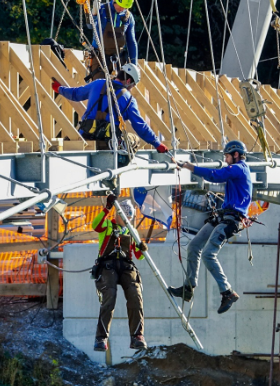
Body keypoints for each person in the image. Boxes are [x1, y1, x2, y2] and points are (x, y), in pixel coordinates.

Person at [168, 141, 252, 314]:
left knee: (208, 254)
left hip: (231, 220)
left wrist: (189, 167)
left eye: (227, 156)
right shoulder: (237, 170)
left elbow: (214, 175)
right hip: (223, 216)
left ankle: (227, 292)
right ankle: (188, 288)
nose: (225, 160)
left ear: (236, 155)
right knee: (194, 246)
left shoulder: (239, 168)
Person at [53, 63, 168, 154]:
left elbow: (75, 94)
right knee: (134, 139)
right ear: (128, 81)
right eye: (133, 85)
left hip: (85, 134)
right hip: (108, 140)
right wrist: (157, 144)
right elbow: (140, 126)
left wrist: (59, 89)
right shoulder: (128, 99)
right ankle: (119, 168)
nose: (131, 88)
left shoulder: (97, 84)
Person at [90, 195, 148, 352]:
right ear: (118, 215)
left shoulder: (132, 231)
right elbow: (96, 225)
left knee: (135, 294)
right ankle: (101, 338)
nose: (126, 219)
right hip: (108, 266)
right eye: (124, 215)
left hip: (126, 266)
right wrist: (107, 208)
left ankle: (137, 336)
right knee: (110, 294)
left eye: (129, 216)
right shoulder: (108, 225)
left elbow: (139, 256)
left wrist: (142, 248)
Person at [87, 0, 137, 80]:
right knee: (100, 87)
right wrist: (94, 14)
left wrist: (134, 64)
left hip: (118, 60)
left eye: (125, 7)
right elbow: (90, 26)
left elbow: (131, 42)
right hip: (100, 59)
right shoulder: (102, 10)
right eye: (120, 5)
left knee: (119, 88)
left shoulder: (128, 17)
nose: (122, 9)